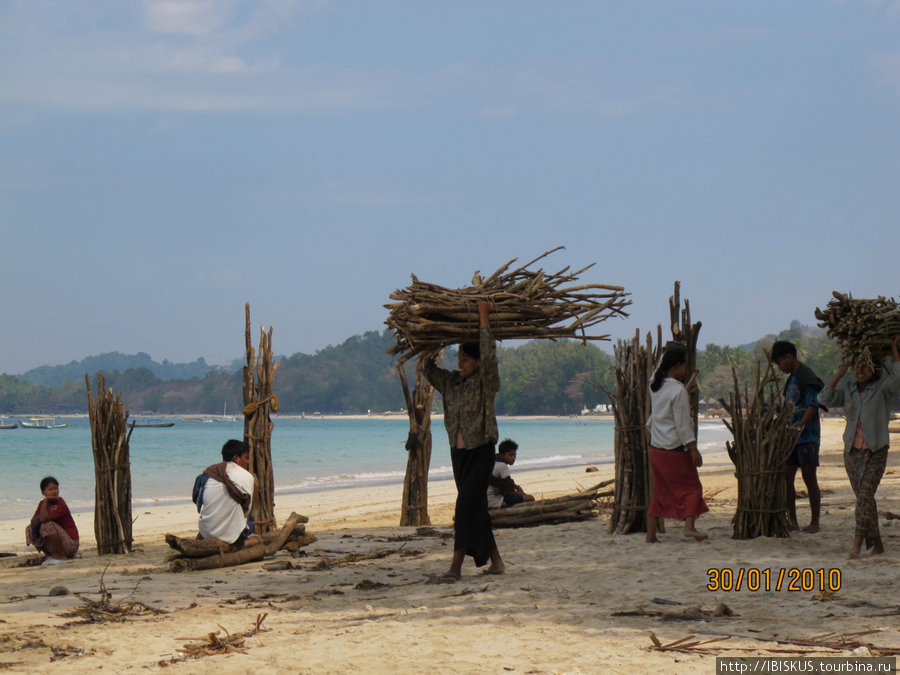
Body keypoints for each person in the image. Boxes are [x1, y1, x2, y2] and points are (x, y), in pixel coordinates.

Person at [425, 299, 505, 579]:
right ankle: (497, 563)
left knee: (463, 508)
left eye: (466, 361)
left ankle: (455, 567)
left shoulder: (486, 381)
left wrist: (484, 317)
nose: (461, 365)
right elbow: (428, 369)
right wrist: (430, 341)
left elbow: (489, 355)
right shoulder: (452, 383)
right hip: (459, 455)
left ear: (478, 362)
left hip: (482, 451)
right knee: (477, 509)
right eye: (458, 361)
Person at [819, 336, 900, 558]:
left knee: (864, 496)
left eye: (865, 366)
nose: (861, 370)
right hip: (852, 451)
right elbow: (824, 398)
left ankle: (856, 545)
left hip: (876, 450)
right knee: (866, 501)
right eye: (857, 366)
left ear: (874, 368)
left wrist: (893, 348)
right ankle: (878, 544)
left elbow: (898, 377)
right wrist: (840, 373)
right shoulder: (849, 389)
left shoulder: (882, 389)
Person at [645, 342, 708, 543]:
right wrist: (693, 449)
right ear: (677, 366)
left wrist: (668, 350)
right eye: (683, 366)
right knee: (692, 488)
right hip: (674, 451)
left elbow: (657, 369)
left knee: (660, 492)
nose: (685, 371)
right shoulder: (678, 391)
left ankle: (650, 536)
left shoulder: (654, 385)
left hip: (656, 450)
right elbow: (683, 425)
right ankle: (689, 527)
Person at [771, 340, 824, 533]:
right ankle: (792, 521)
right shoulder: (791, 380)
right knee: (787, 477)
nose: (779, 367)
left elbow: (812, 406)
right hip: (791, 438)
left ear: (789, 357)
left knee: (809, 477)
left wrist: (800, 426)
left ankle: (815, 522)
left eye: (779, 362)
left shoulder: (805, 376)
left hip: (807, 437)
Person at [195, 439, 258, 547]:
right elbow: (247, 511)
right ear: (236, 458)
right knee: (250, 526)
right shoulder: (246, 477)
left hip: (206, 532)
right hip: (230, 537)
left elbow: (199, 503)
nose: (248, 462)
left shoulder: (209, 474)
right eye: (246, 458)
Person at [25, 476, 79, 564]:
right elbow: (33, 522)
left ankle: (61, 556)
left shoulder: (61, 503)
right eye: (50, 489)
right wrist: (45, 503)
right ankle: (52, 554)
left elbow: (44, 519)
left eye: (56, 488)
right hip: (58, 545)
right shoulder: (42, 504)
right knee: (29, 528)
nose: (54, 491)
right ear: (43, 492)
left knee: (47, 525)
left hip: (70, 545)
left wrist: (46, 502)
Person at [487, 438, 535, 509]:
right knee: (530, 498)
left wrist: (515, 487)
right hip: (494, 501)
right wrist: (521, 492)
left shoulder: (493, 461)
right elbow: (509, 492)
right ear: (502, 455)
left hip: (485, 499)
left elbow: (505, 484)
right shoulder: (502, 466)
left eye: (514, 455)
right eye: (510, 455)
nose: (513, 458)